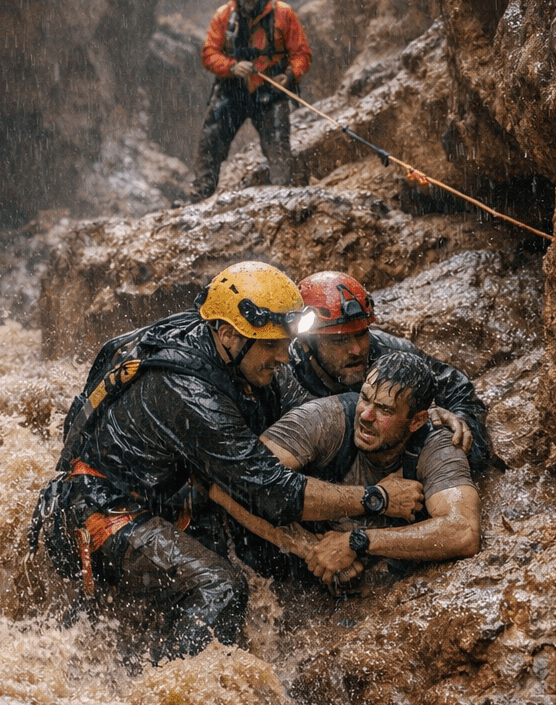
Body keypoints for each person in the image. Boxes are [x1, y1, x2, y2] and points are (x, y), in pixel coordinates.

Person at [32, 261, 422, 662]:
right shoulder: (191, 394)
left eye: (287, 342)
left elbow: (294, 421)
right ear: (228, 334)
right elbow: (273, 492)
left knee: (249, 551)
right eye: (271, 346)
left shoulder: (211, 338)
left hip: (157, 490)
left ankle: (145, 643)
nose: (284, 357)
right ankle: (161, 686)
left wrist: (424, 415)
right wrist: (377, 498)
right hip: (104, 509)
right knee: (220, 587)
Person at [215, 350, 482, 582]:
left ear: (416, 421)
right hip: (282, 559)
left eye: (385, 410)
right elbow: (227, 484)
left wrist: (358, 542)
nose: (365, 415)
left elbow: (463, 532)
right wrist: (310, 548)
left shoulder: (436, 444)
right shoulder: (324, 419)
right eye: (365, 398)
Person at [290, 270, 496, 472]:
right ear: (307, 344)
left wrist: (461, 423)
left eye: (361, 334)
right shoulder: (284, 377)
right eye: (339, 340)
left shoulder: (390, 353)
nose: (356, 350)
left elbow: (459, 391)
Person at [190, 0, 312, 200]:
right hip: (232, 90)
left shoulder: (283, 14)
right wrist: (231, 67)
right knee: (211, 141)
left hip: (270, 92)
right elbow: (209, 54)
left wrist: (289, 76)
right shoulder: (224, 16)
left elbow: (302, 54)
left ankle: (283, 195)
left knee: (278, 146)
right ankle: (200, 196)